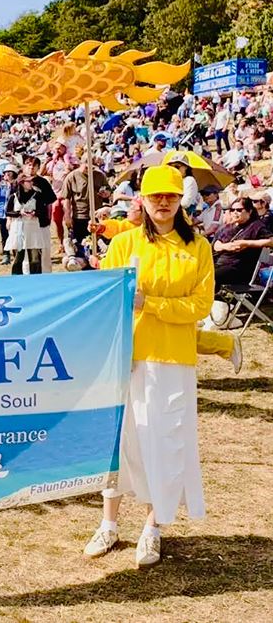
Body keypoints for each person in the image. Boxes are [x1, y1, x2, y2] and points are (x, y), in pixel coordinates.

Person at [84, 165, 213, 569]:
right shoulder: (123, 245)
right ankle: (109, 524)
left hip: (172, 360)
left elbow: (200, 305)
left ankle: (153, 528)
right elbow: (102, 298)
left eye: (170, 196)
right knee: (118, 444)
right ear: (141, 198)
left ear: (180, 200)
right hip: (125, 355)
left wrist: (150, 305)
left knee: (164, 443)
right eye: (155, 195)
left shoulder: (198, 248)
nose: (162, 202)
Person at [211, 197, 271, 286]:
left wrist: (247, 243)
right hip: (218, 263)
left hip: (239, 268)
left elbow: (271, 241)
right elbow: (215, 244)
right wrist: (226, 246)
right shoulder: (227, 227)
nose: (235, 212)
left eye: (239, 210)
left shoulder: (256, 226)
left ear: (249, 211)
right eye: (232, 210)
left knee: (209, 276)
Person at [5, 175, 44, 275]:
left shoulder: (37, 195)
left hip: (32, 228)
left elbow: (42, 211)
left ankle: (36, 279)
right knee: (18, 257)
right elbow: (8, 212)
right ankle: (16, 278)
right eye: (29, 181)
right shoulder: (13, 197)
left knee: (35, 257)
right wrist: (19, 213)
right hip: (18, 228)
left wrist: (34, 213)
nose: (31, 183)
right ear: (22, 183)